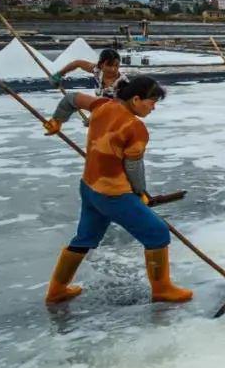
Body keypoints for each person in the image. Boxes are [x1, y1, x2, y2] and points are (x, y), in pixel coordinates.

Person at [40, 76, 192, 305]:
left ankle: (56, 290)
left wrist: (57, 120)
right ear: (136, 98)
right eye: (151, 102)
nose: (153, 107)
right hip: (113, 194)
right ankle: (162, 289)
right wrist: (141, 192)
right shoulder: (135, 127)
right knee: (157, 233)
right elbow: (133, 166)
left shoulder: (101, 105)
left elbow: (71, 99)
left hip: (90, 187)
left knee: (85, 238)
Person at [51, 48, 130, 98]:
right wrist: (59, 74)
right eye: (109, 65)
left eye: (116, 65)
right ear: (101, 64)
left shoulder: (123, 83)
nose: (113, 69)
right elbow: (77, 63)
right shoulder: (98, 71)